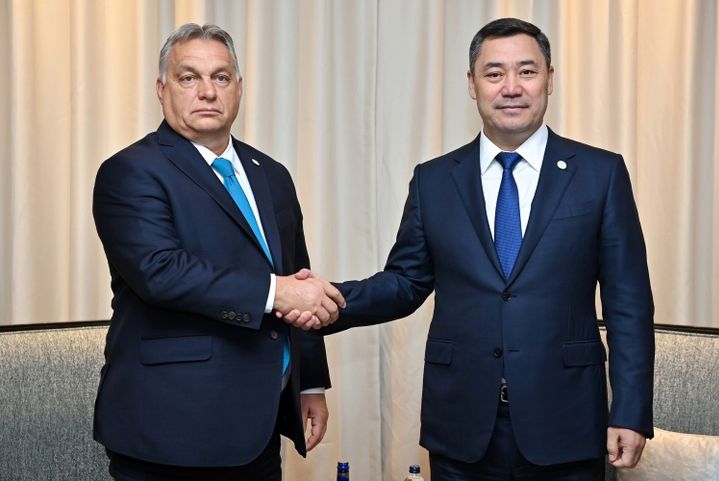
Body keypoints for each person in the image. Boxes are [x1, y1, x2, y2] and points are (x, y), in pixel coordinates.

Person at [290, 17, 655, 481]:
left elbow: (629, 305)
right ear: (472, 83)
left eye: (527, 71)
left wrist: (631, 410)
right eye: (494, 73)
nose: (511, 87)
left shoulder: (600, 174)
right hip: (461, 426)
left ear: (549, 79)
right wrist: (325, 302)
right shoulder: (434, 180)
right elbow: (405, 283)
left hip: (566, 423)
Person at [92, 23, 344, 481]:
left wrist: (309, 382)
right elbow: (160, 272)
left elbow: (298, 276)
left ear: (239, 88)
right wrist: (276, 293)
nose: (207, 91)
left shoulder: (271, 174)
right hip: (170, 428)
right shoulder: (130, 170)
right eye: (189, 77)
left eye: (221, 77)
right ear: (162, 90)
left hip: (260, 423)